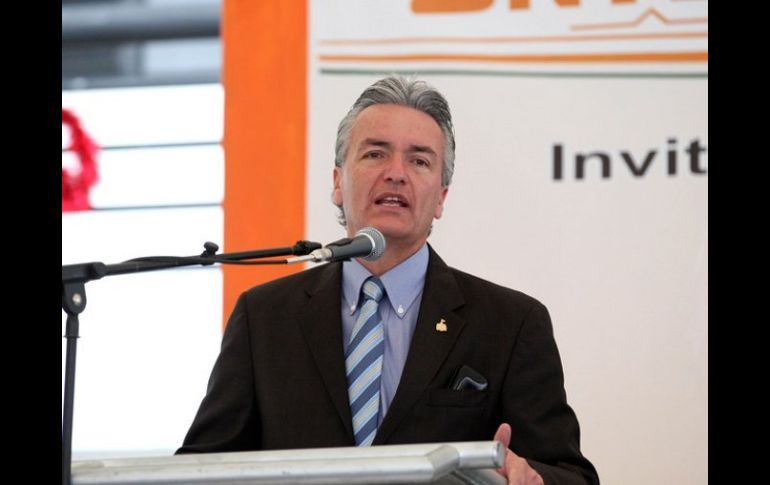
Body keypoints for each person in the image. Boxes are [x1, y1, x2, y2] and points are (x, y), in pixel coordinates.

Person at [178, 76, 599, 484]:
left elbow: (571, 474)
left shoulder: (510, 323)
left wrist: (532, 480)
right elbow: (202, 469)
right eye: (376, 154)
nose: (396, 173)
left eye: (419, 160)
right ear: (338, 182)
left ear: (441, 197)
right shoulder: (264, 317)